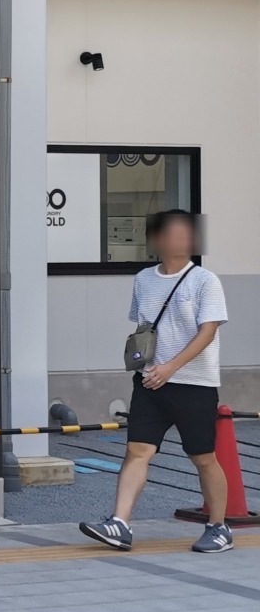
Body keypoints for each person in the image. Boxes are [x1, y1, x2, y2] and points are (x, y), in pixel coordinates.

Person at [82, 209, 232, 553]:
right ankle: (120, 523)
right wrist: (144, 361)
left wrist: (171, 368)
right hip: (149, 382)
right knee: (137, 450)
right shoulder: (143, 279)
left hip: (194, 383)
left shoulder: (205, 281)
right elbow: (144, 327)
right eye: (170, 233)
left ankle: (219, 527)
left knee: (203, 456)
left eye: (184, 233)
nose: (177, 239)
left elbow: (207, 332)